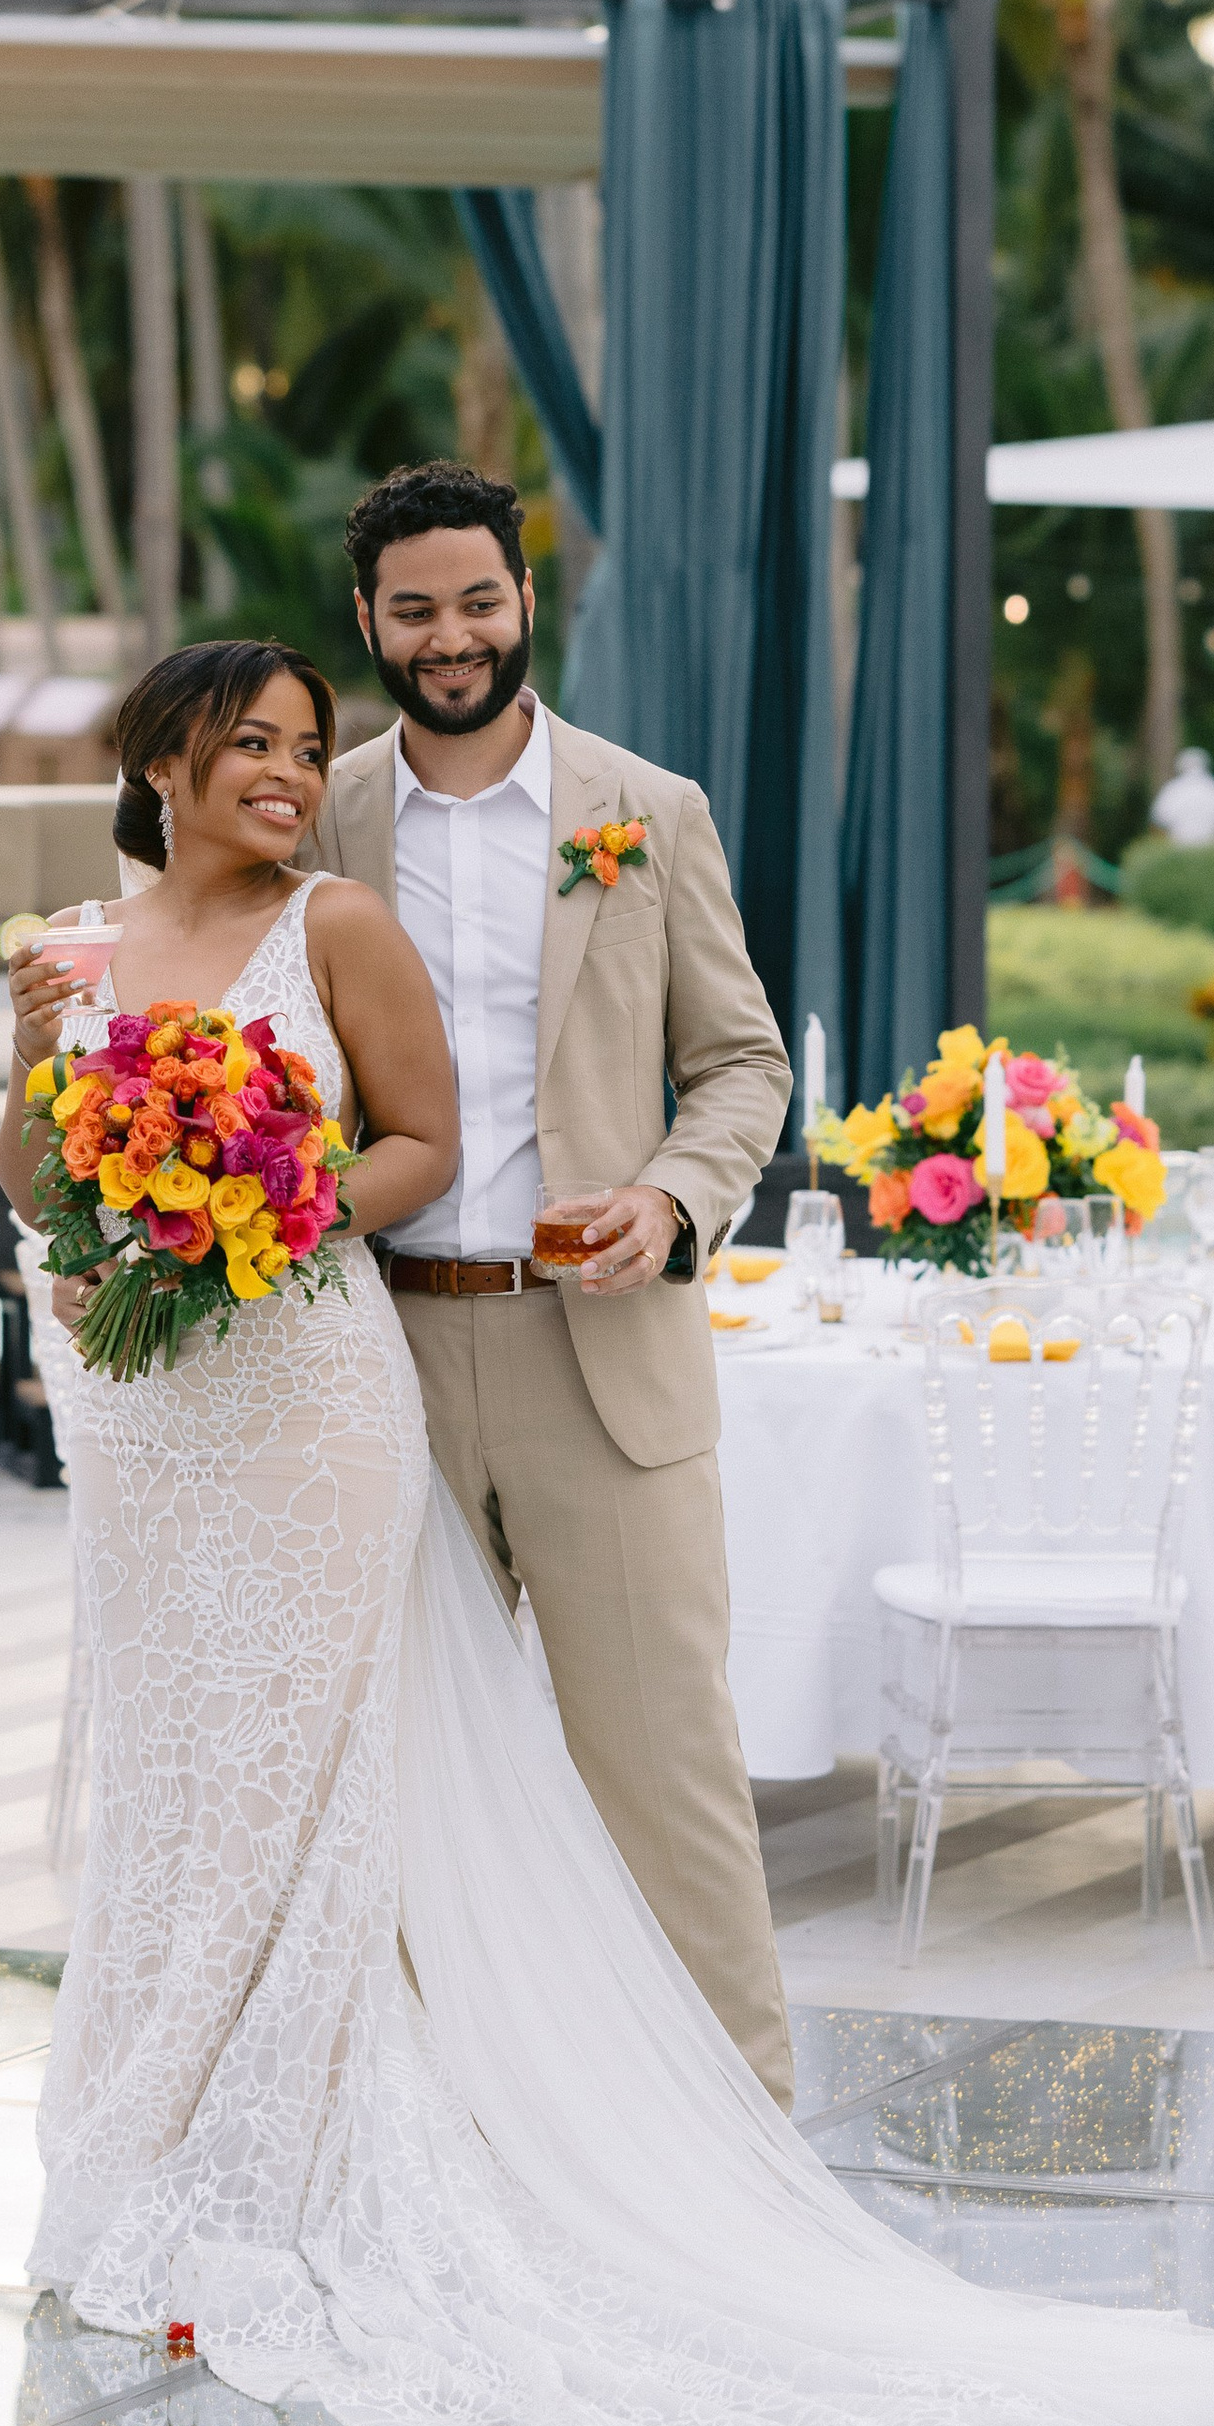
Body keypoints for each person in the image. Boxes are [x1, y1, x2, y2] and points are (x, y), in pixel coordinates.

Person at [0, 634, 1214, 2426]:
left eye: (307, 743)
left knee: (407, 1784)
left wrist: (265, 1208)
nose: (295, 768)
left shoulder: (421, 891)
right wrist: (52, 1101)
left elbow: (493, 1119)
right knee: (182, 1783)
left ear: (518, 600)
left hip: (341, 1380)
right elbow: (33, 1176)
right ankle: (166, 2141)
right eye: (253, 740)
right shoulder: (82, 937)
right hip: (156, 1426)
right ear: (158, 754)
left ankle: (591, 2152)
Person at [303, 458, 792, 2104]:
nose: (454, 636)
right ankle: (440, 2148)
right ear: (368, 620)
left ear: (528, 601)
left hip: (604, 1358)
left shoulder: (643, 811)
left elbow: (742, 1065)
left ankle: (747, 2135)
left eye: (481, 600)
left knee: (666, 1775)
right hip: (376, 1363)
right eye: (417, 608)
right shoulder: (318, 820)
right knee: (402, 1780)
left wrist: (671, 1199)